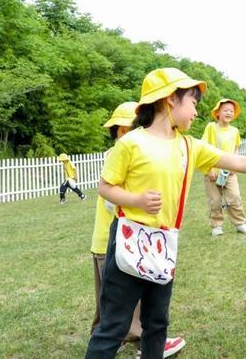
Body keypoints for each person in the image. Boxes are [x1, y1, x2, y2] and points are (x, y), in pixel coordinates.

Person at [85, 68, 246, 358]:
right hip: (129, 244)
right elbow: (106, 187)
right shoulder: (131, 143)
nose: (196, 112)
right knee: (113, 325)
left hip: (163, 245)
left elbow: (239, 162)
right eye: (193, 103)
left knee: (157, 323)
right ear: (171, 100)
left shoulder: (189, 146)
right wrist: (137, 199)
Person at [89, 101, 185, 358]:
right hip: (119, 240)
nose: (132, 131)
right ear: (119, 132)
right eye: (125, 128)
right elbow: (110, 196)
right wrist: (139, 200)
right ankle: (119, 340)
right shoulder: (125, 149)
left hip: (144, 241)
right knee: (111, 314)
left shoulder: (154, 145)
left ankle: (141, 340)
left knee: (142, 311)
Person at [201, 99, 246, 236]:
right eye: (226, 110)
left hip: (229, 172)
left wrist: (234, 166)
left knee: (234, 197)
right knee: (215, 200)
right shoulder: (211, 127)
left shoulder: (235, 131)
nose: (229, 112)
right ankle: (216, 226)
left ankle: (240, 223)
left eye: (231, 110)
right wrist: (209, 169)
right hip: (213, 170)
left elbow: (235, 149)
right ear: (218, 113)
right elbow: (203, 148)